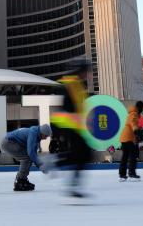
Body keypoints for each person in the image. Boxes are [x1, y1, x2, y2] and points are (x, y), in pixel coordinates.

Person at [50, 62, 93, 198]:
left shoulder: (77, 85)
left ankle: (57, 162)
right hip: (69, 126)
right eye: (87, 72)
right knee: (84, 154)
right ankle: (57, 162)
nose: (88, 75)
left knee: (82, 155)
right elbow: (69, 107)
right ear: (82, 72)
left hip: (75, 127)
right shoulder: (72, 85)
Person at [1, 124, 52, 191]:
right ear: (41, 133)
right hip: (9, 142)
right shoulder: (33, 133)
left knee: (28, 158)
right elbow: (31, 153)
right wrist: (41, 165)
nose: (45, 138)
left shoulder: (36, 135)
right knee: (27, 158)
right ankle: (20, 180)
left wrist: (41, 166)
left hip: (11, 142)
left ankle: (22, 179)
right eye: (45, 136)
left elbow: (34, 154)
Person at [119, 100, 143, 181]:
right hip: (128, 137)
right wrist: (136, 130)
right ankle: (131, 174)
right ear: (139, 107)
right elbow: (133, 122)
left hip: (126, 137)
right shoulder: (134, 114)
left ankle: (122, 175)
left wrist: (137, 130)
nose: (142, 110)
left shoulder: (133, 113)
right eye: (142, 108)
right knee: (133, 156)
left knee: (125, 157)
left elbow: (133, 123)